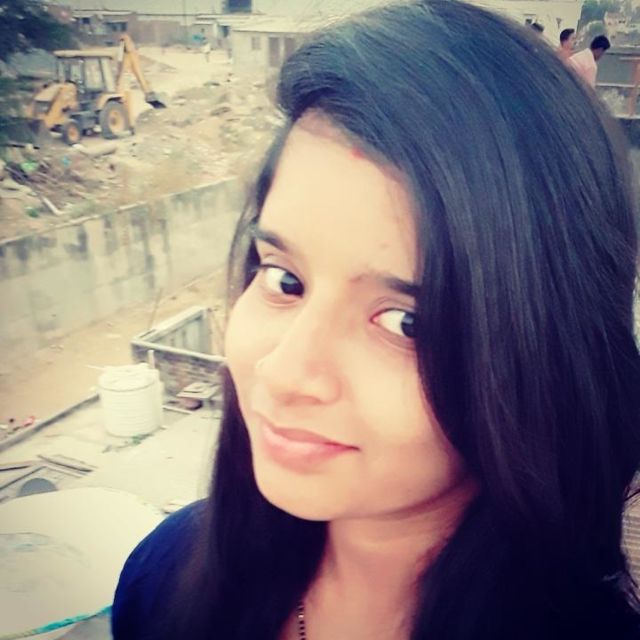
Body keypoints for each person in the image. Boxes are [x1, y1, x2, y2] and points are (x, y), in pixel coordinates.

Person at [111, 2, 640, 639]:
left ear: (546, 358)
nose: (284, 373)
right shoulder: (165, 580)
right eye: (285, 280)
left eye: (405, 322)